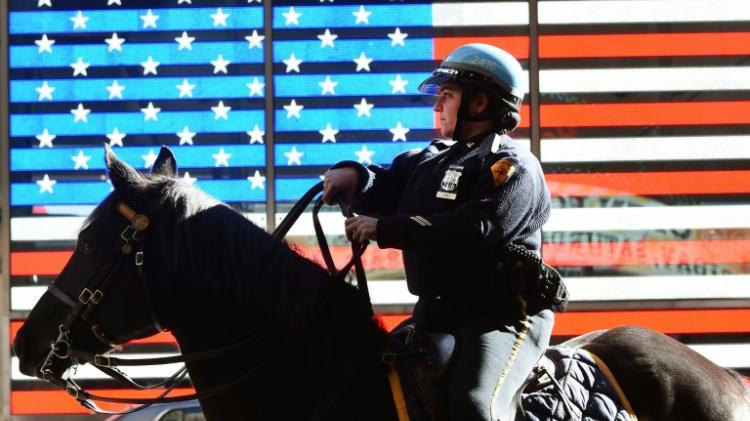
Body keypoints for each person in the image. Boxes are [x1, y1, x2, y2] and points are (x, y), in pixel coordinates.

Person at [322, 43, 563, 421]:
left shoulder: (512, 167)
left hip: (502, 319)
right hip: (436, 314)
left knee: (474, 406)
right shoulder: (434, 159)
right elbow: (389, 181)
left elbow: (475, 229)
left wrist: (385, 229)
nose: (437, 106)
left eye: (447, 96)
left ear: (480, 104)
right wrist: (356, 176)